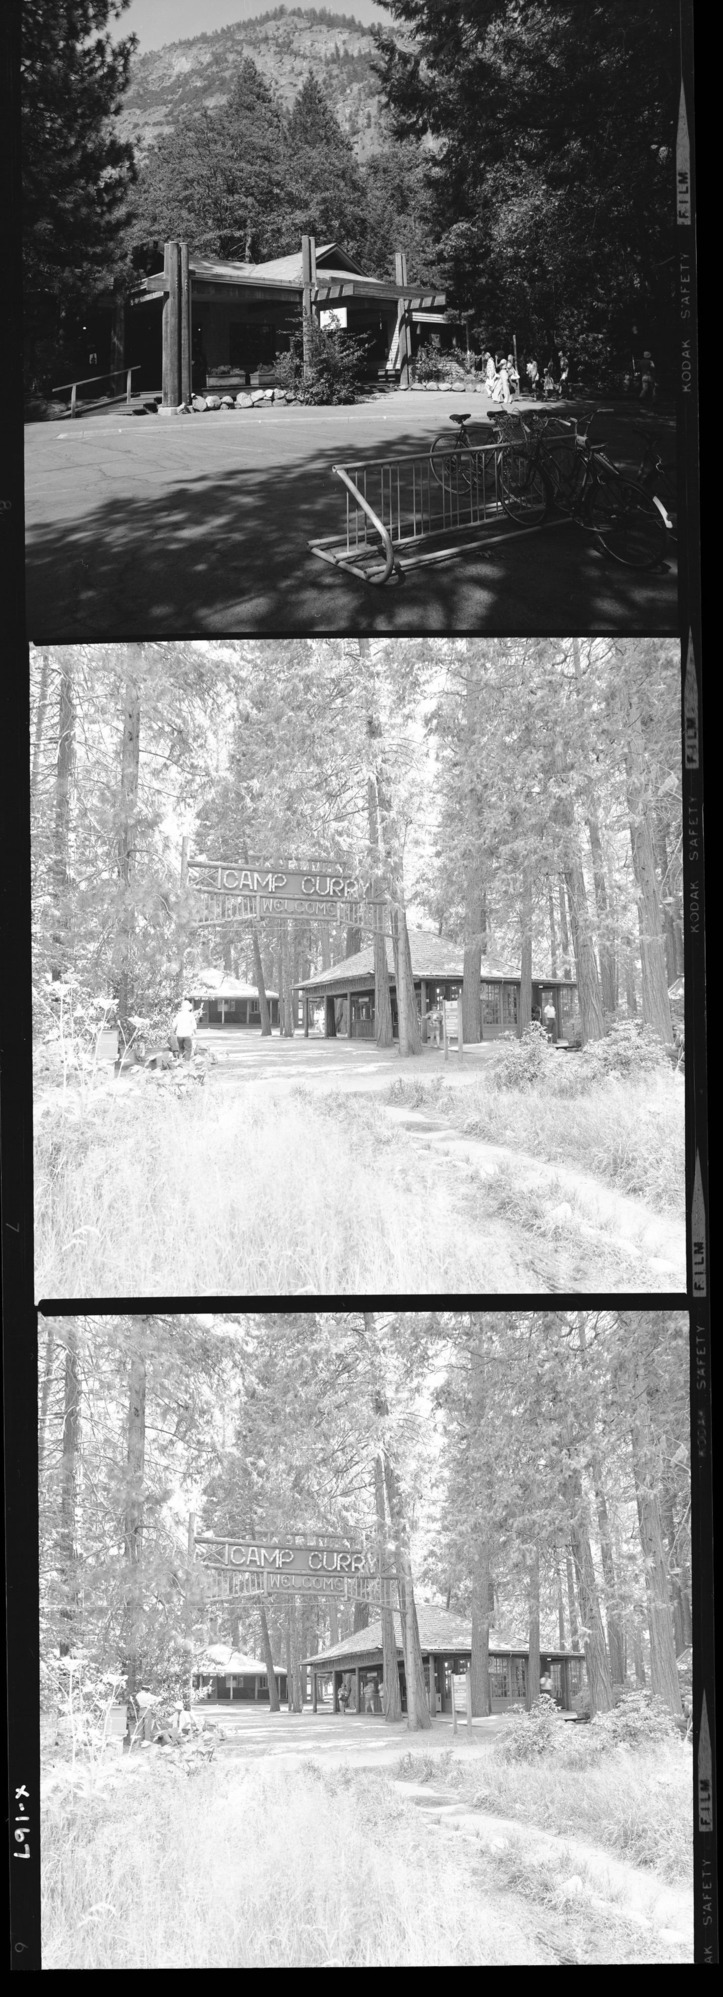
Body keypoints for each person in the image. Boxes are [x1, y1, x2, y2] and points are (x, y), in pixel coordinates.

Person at [174, 997, 197, 1061]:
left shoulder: (178, 1014)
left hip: (179, 1035)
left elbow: (174, 1025)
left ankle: (180, 1062)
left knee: (180, 1049)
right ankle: (186, 1063)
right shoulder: (190, 1015)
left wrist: (173, 1032)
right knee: (188, 1050)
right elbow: (194, 1026)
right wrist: (195, 1033)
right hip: (187, 1035)